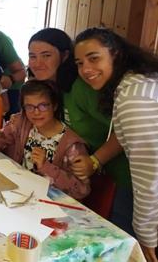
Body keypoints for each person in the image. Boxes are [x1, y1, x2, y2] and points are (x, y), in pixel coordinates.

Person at [28, 28, 131, 227]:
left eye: (46, 55)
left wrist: (94, 161)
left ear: (65, 55)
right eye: (32, 56)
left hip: (123, 175)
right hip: (88, 177)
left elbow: (124, 129)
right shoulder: (50, 87)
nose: (37, 63)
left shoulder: (80, 88)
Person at [74, 28, 158, 261]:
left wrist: (146, 235)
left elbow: (149, 176)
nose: (86, 70)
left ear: (116, 54)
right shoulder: (134, 83)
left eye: (94, 58)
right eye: (80, 63)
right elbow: (122, 135)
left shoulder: (135, 98)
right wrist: (95, 160)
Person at [0, 80, 91, 200]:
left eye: (42, 106)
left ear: (54, 105)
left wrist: (46, 167)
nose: (36, 112)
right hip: (17, 193)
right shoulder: (21, 123)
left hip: (46, 205)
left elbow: (81, 190)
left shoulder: (72, 146)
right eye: (29, 107)